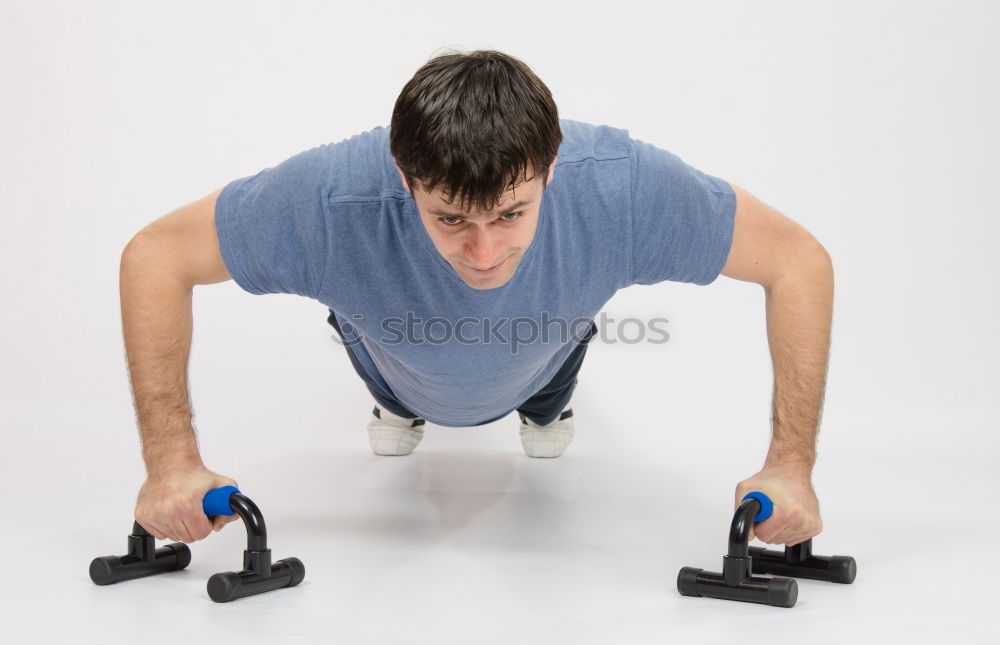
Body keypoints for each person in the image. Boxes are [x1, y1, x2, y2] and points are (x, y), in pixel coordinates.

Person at [122, 50, 831, 550]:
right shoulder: (331, 197)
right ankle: (400, 405)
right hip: (391, 353)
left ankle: (545, 407)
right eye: (453, 219)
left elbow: (798, 260)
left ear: (552, 168)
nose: (484, 255)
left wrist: (791, 466)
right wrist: (171, 461)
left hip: (549, 348)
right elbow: (155, 256)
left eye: (512, 214)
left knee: (550, 388)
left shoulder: (621, 186)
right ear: (404, 178)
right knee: (390, 364)